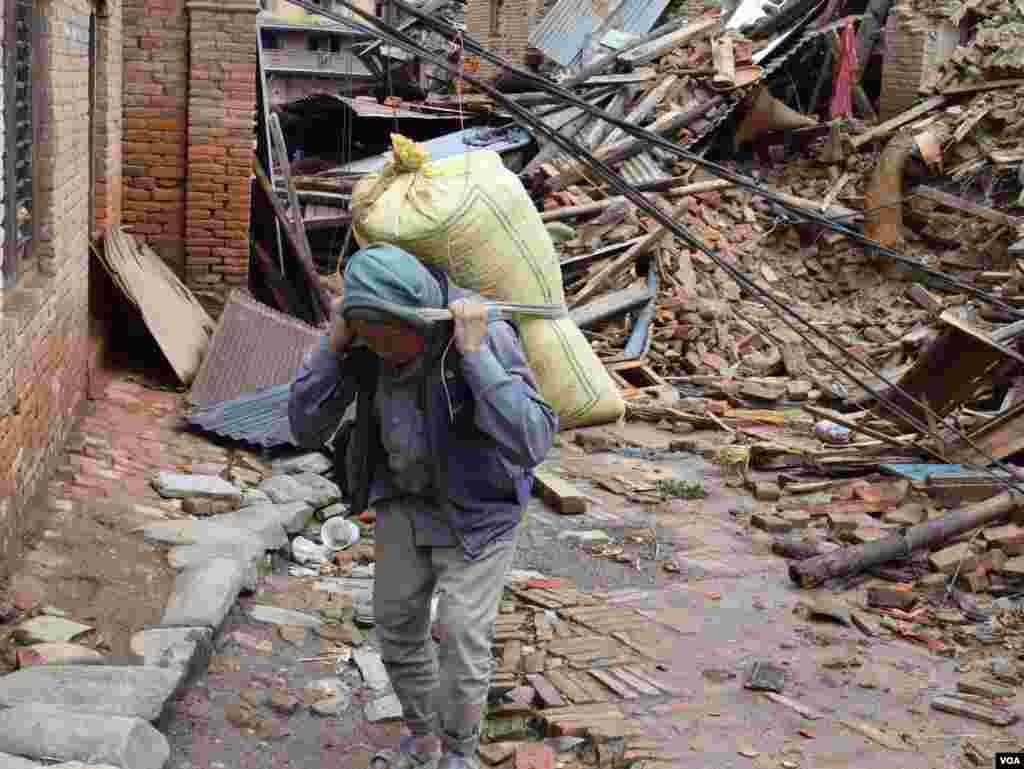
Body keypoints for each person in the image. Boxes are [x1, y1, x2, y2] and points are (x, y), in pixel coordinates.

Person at [289, 243, 558, 769]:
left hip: (477, 512)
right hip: (403, 503)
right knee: (396, 626)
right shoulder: (364, 343)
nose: (385, 350)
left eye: (394, 339)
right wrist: (333, 345)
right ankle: (424, 737)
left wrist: (477, 357)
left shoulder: (483, 334)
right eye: (372, 337)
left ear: (419, 320)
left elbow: (533, 441)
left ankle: (459, 751)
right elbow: (303, 426)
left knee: (460, 636)